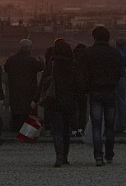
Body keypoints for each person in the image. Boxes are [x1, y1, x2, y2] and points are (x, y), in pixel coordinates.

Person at [44, 38, 86, 167]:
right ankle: (65, 157)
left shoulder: (51, 66)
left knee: (57, 130)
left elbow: (43, 84)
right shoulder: (73, 66)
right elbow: (80, 86)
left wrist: (36, 99)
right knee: (66, 130)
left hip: (54, 101)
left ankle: (59, 156)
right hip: (69, 101)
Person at [83, 25, 122, 165]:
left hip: (95, 92)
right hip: (110, 91)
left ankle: (98, 156)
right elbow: (118, 73)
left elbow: (85, 73)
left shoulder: (88, 52)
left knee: (96, 126)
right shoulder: (115, 53)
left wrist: (87, 88)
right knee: (110, 126)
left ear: (94, 37)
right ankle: (109, 154)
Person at [3, 39, 43, 132]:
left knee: (16, 110)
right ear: (28, 48)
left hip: (15, 90)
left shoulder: (11, 59)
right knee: (27, 111)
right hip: (29, 91)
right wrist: (41, 60)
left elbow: (6, 68)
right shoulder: (32, 60)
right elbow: (41, 67)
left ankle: (15, 128)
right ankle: (27, 132)